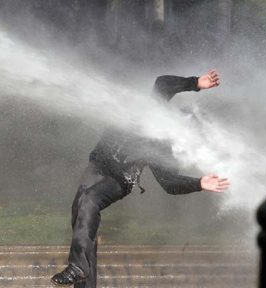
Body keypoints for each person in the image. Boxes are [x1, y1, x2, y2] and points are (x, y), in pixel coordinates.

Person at [51, 70, 229, 287]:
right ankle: (83, 278)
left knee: (90, 200)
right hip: (99, 163)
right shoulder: (155, 107)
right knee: (80, 212)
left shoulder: (162, 146)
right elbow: (162, 83)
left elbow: (169, 183)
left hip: (121, 179)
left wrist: (199, 183)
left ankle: (78, 267)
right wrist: (196, 83)